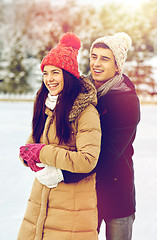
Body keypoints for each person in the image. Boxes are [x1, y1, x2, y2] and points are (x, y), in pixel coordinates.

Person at [25, 32, 140, 240]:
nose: (96, 63)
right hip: (84, 193)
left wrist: (64, 174)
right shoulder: (80, 92)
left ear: (117, 66)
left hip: (115, 191)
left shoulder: (127, 101)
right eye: (94, 56)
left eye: (104, 59)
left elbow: (106, 154)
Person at [18, 32, 101, 240]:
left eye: (55, 72)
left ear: (68, 74)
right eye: (45, 73)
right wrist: (28, 157)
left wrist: (44, 153)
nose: (49, 79)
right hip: (40, 206)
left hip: (71, 211)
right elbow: (30, 149)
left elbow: (88, 160)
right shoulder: (47, 107)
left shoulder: (85, 111)